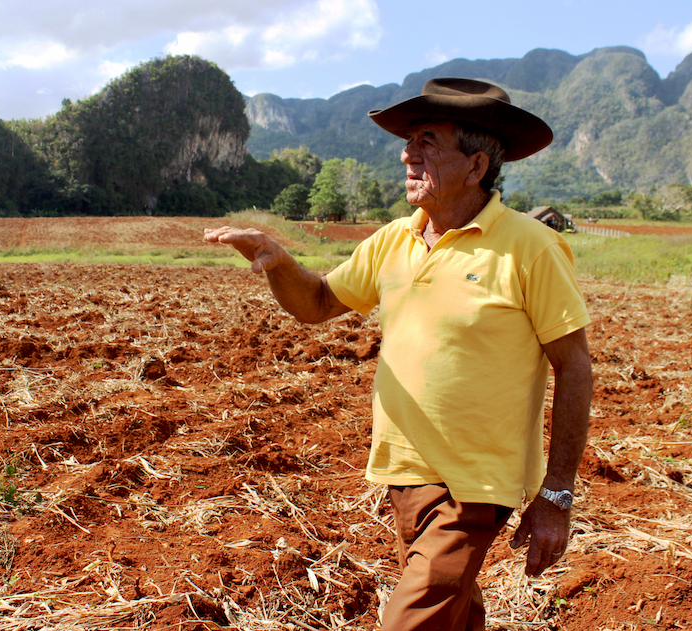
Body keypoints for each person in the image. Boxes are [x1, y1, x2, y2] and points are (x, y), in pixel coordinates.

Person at [204, 78, 593, 631]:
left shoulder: (531, 248)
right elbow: (316, 302)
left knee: (414, 614)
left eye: (428, 142)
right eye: (410, 140)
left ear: (476, 166)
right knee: (453, 609)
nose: (407, 154)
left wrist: (556, 496)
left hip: (476, 483)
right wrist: (277, 260)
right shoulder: (394, 240)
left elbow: (574, 365)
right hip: (406, 469)